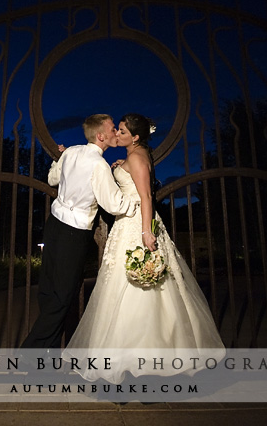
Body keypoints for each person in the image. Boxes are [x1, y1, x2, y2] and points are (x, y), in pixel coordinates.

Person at [62, 113, 225, 383]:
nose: (118, 134)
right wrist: (121, 166)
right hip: (125, 224)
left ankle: (144, 359)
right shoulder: (132, 156)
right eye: (119, 129)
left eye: (123, 131)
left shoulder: (137, 157)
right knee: (118, 288)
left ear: (135, 137)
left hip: (136, 224)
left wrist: (146, 231)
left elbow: (146, 195)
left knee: (142, 291)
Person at [21, 114, 138, 350]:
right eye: (113, 128)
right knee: (63, 296)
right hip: (73, 235)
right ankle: (31, 352)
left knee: (48, 291)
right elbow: (113, 204)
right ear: (101, 136)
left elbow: (53, 179)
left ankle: (46, 359)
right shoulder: (99, 165)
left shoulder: (72, 152)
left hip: (53, 225)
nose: (116, 132)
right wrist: (135, 204)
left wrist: (62, 159)